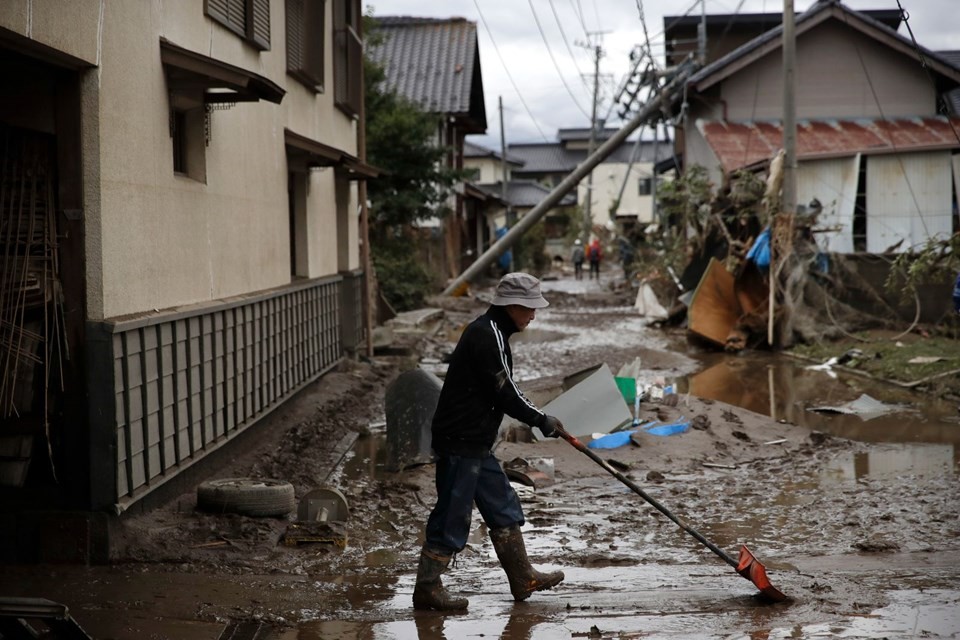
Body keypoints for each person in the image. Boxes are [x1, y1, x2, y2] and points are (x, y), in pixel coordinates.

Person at [413, 272, 566, 611]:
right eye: (529, 308)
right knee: (452, 515)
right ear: (512, 305)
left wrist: (539, 417)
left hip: (476, 442)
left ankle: (522, 576)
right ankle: (427, 587)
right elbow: (505, 392)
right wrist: (541, 420)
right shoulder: (486, 336)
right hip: (460, 441)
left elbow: (505, 389)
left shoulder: (493, 333)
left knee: (502, 505)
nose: (533, 315)